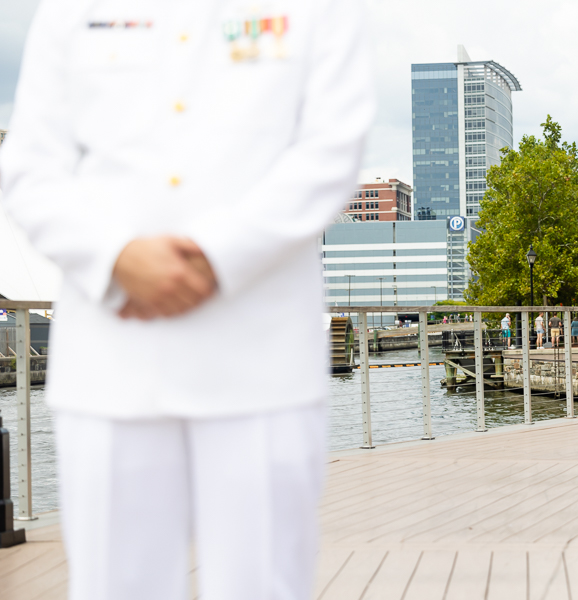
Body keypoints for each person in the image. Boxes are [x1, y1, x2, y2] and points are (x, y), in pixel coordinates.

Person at [0, 2, 374, 598]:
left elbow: (331, 151)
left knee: (264, 584)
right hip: (112, 361)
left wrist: (215, 255)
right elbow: (29, 168)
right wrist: (117, 256)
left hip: (258, 359)